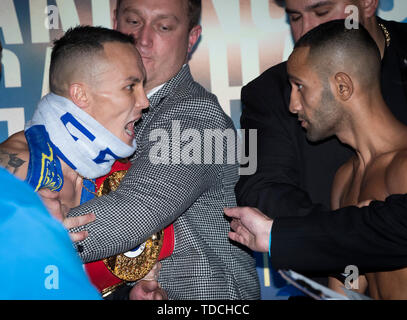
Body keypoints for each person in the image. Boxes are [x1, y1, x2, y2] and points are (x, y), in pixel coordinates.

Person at [58, 0, 260, 300]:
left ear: (192, 38)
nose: (143, 39)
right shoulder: (91, 113)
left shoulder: (195, 116)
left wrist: (29, 235)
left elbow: (134, 214)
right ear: (115, 20)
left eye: (163, 26)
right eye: (133, 21)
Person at [233, 0, 407, 274]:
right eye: (294, 17)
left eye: (321, 11)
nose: (306, 30)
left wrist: (285, 236)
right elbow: (260, 188)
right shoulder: (268, 92)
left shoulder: (401, 164)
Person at [0, 26, 167, 299]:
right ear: (80, 95)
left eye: (142, 87)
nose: (144, 102)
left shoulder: (123, 175)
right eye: (130, 87)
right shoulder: (11, 170)